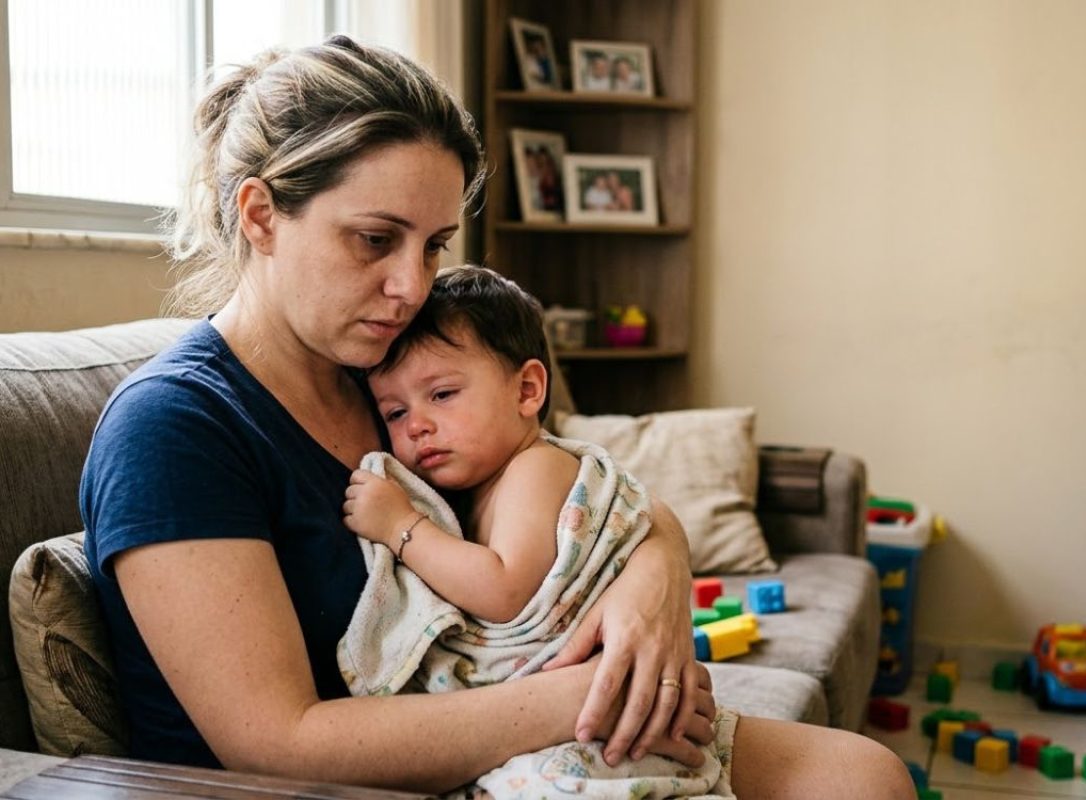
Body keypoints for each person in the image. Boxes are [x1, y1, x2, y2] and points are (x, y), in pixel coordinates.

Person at [78, 34, 912, 797]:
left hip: (512, 724)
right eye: (375, 239)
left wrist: (658, 577)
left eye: (435, 244)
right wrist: (594, 691)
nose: (412, 285)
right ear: (261, 216)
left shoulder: (392, 372)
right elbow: (278, 743)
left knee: (865, 777)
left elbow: (571, 487)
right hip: (355, 779)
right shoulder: (174, 428)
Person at [343, 264, 736, 795]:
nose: (416, 425)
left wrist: (402, 526)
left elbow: (503, 592)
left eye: (441, 395)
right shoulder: (477, 486)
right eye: (393, 412)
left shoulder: (537, 468)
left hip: (593, 719)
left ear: (527, 390)